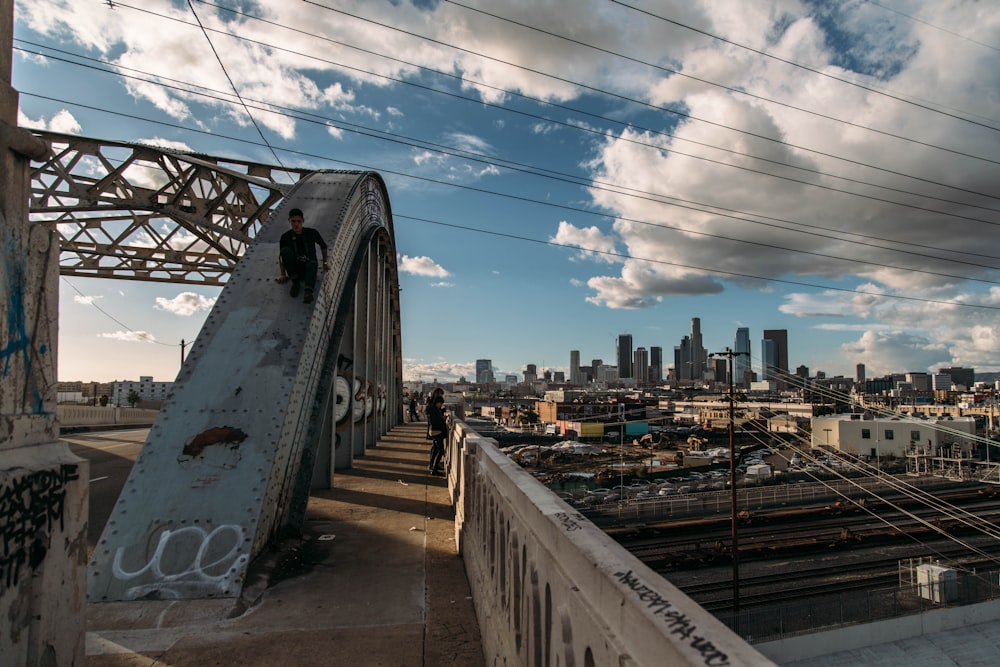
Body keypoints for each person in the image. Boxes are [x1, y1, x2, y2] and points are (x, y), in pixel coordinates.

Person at [277, 208, 329, 304]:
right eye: (293, 221)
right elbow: (281, 257)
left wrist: (325, 262)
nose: (296, 224)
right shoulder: (285, 237)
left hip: (309, 266)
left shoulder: (312, 233)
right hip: (296, 267)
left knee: (312, 263)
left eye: (298, 221)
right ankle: (295, 282)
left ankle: (308, 292)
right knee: (285, 251)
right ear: (289, 221)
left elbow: (323, 246)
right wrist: (282, 274)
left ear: (303, 221)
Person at [426, 394, 448, 475]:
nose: (441, 405)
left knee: (435, 450)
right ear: (437, 403)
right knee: (441, 450)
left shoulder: (432, 409)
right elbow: (435, 421)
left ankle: (433, 466)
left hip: (434, 432)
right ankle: (434, 469)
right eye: (440, 404)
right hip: (437, 432)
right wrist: (442, 419)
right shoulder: (433, 410)